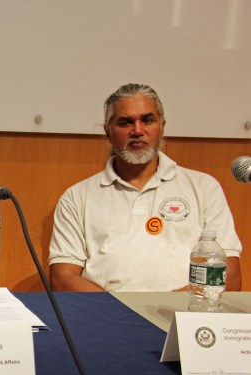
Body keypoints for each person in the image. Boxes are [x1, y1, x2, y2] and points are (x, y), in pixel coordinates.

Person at [49, 83, 242, 292]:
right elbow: (63, 278)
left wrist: (164, 310)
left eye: (148, 120)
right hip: (108, 319)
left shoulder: (204, 187)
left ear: (162, 126)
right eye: (125, 122)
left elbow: (228, 275)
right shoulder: (78, 196)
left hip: (185, 316)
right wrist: (123, 316)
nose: (138, 131)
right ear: (108, 132)